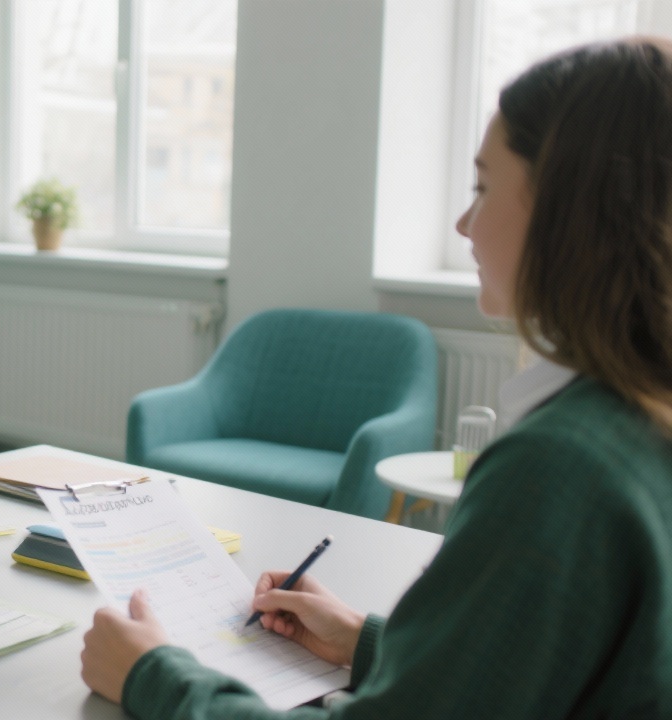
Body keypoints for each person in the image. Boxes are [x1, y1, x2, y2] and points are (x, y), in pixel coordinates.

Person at [80, 37, 672, 719]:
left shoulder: (558, 467)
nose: (463, 222)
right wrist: (366, 643)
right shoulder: (641, 428)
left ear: (570, 208)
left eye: (482, 187)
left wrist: (154, 674)